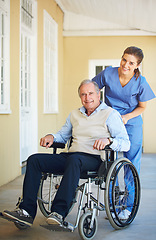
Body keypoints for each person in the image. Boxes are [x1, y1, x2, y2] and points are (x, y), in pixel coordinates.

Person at [2, 80, 130, 227]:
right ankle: (26, 212)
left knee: (75, 160)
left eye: (90, 93)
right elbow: (62, 136)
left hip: (96, 159)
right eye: (83, 94)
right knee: (34, 160)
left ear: (98, 94)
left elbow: (126, 143)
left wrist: (108, 140)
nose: (87, 98)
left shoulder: (110, 114)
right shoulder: (75, 114)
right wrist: (52, 136)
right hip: (71, 157)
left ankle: (59, 212)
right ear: (80, 97)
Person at [92, 46, 155, 175]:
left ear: (137, 65)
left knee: (131, 161)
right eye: (124, 60)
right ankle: (110, 194)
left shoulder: (141, 82)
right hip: (110, 120)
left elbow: (142, 107)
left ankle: (130, 194)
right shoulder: (108, 73)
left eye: (131, 63)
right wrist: (98, 109)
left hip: (131, 123)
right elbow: (92, 89)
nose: (125, 65)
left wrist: (126, 117)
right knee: (109, 160)